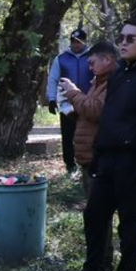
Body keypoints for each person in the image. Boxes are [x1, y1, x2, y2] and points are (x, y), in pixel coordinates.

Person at [63, 18, 136, 271]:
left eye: (131, 38)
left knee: (129, 222)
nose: (123, 42)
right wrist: (98, 154)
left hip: (132, 160)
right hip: (107, 158)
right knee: (94, 216)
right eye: (122, 37)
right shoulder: (119, 74)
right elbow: (108, 117)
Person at [59, 40, 120, 201]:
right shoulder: (97, 82)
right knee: (93, 211)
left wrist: (73, 92)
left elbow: (95, 110)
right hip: (89, 158)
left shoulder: (113, 83)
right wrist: (72, 113)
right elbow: (89, 110)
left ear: (107, 60)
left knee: (98, 211)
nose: (90, 68)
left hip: (100, 158)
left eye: (92, 63)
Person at [47, 28, 93, 177]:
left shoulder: (93, 56)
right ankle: (70, 165)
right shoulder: (61, 58)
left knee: (89, 134)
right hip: (68, 104)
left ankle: (89, 164)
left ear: (84, 41)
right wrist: (52, 99)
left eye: (79, 42)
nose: (76, 45)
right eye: (73, 41)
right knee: (68, 135)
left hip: (88, 102)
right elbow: (53, 79)